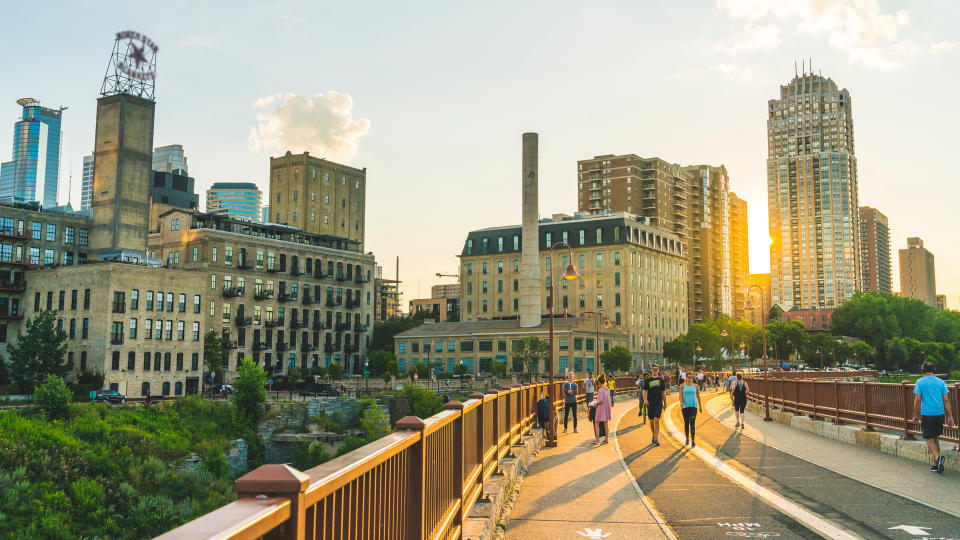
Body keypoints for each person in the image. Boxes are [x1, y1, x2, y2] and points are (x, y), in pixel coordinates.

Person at [911, 361, 956, 473]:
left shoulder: (920, 382)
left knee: (928, 438)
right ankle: (936, 465)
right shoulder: (941, 382)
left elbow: (917, 400)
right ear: (933, 370)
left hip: (927, 414)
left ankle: (938, 457)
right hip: (940, 414)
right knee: (935, 437)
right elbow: (946, 400)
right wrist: (950, 417)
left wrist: (915, 415)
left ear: (922, 370)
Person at [641, 365, 668, 446]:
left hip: (658, 403)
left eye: (656, 369)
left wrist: (665, 403)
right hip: (650, 403)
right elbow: (644, 391)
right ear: (652, 371)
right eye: (654, 369)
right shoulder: (648, 380)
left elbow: (663, 392)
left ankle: (656, 438)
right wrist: (645, 399)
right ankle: (654, 435)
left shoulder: (661, 380)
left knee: (656, 420)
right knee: (652, 421)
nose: (655, 370)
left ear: (658, 370)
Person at [681, 373, 703, 446]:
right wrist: (681, 402)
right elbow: (680, 396)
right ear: (686, 378)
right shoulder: (682, 386)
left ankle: (693, 440)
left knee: (692, 423)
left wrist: (700, 406)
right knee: (686, 423)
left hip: (693, 406)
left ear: (692, 378)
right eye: (688, 377)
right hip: (685, 407)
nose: (689, 378)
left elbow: (698, 396)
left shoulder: (695, 386)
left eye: (691, 377)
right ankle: (687, 438)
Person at [594, 373, 612, 444]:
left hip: (601, 408)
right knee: (605, 423)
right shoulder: (607, 389)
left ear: (599, 382)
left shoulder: (600, 390)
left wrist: (596, 403)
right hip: (606, 408)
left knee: (596, 422)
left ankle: (597, 438)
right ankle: (606, 438)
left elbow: (601, 400)